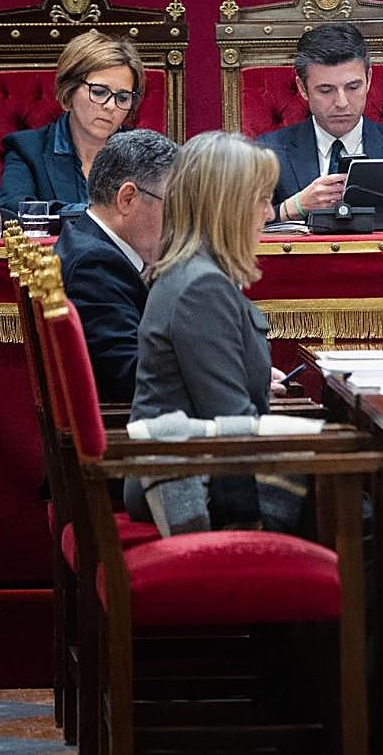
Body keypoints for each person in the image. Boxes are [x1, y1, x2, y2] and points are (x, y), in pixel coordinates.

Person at [127, 131, 299, 536]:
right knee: (365, 507)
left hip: (190, 467)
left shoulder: (193, 272)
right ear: (229, 208)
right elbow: (232, 423)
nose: (270, 214)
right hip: (192, 486)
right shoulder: (201, 287)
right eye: (261, 200)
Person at [258, 23, 383, 223]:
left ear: (369, 79)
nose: (341, 103)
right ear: (302, 88)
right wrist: (295, 206)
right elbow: (236, 230)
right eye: (325, 90)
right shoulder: (267, 152)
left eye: (353, 87)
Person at [54, 130, 177, 403]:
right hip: (126, 432)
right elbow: (133, 377)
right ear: (127, 198)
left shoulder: (87, 242)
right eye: (175, 206)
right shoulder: (95, 265)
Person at [0, 29, 144, 215]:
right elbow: (12, 210)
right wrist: (98, 215)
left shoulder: (143, 154)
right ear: (69, 92)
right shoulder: (27, 149)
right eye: (99, 92)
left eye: (122, 98)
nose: (110, 106)